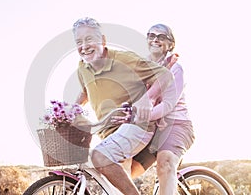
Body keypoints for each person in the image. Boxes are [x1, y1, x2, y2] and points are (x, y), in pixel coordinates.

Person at [73, 17, 177, 195]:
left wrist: (146, 99)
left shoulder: (124, 59)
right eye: (79, 41)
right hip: (108, 132)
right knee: (114, 188)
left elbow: (165, 76)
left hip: (136, 125)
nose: (84, 46)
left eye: (89, 39)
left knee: (99, 156)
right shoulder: (82, 68)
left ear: (103, 41)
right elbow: (85, 92)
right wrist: (70, 110)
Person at [131, 24, 195, 195]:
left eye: (161, 36)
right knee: (125, 169)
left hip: (177, 125)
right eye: (151, 35)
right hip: (151, 130)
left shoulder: (176, 68)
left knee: (165, 163)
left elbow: (168, 105)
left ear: (171, 44)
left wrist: (141, 116)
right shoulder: (142, 68)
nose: (155, 39)